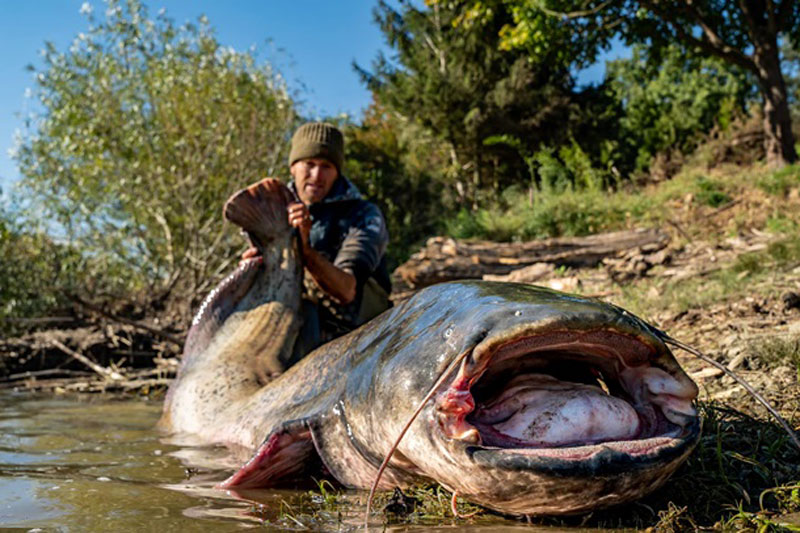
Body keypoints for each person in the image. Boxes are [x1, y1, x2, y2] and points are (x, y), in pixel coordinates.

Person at [242, 122, 392, 364]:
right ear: (293, 167)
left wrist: (306, 252)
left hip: (359, 331)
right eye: (309, 164)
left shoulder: (363, 215)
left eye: (326, 166)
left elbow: (346, 291)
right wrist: (252, 271)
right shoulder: (273, 212)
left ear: (337, 171)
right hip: (289, 322)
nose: (316, 176)